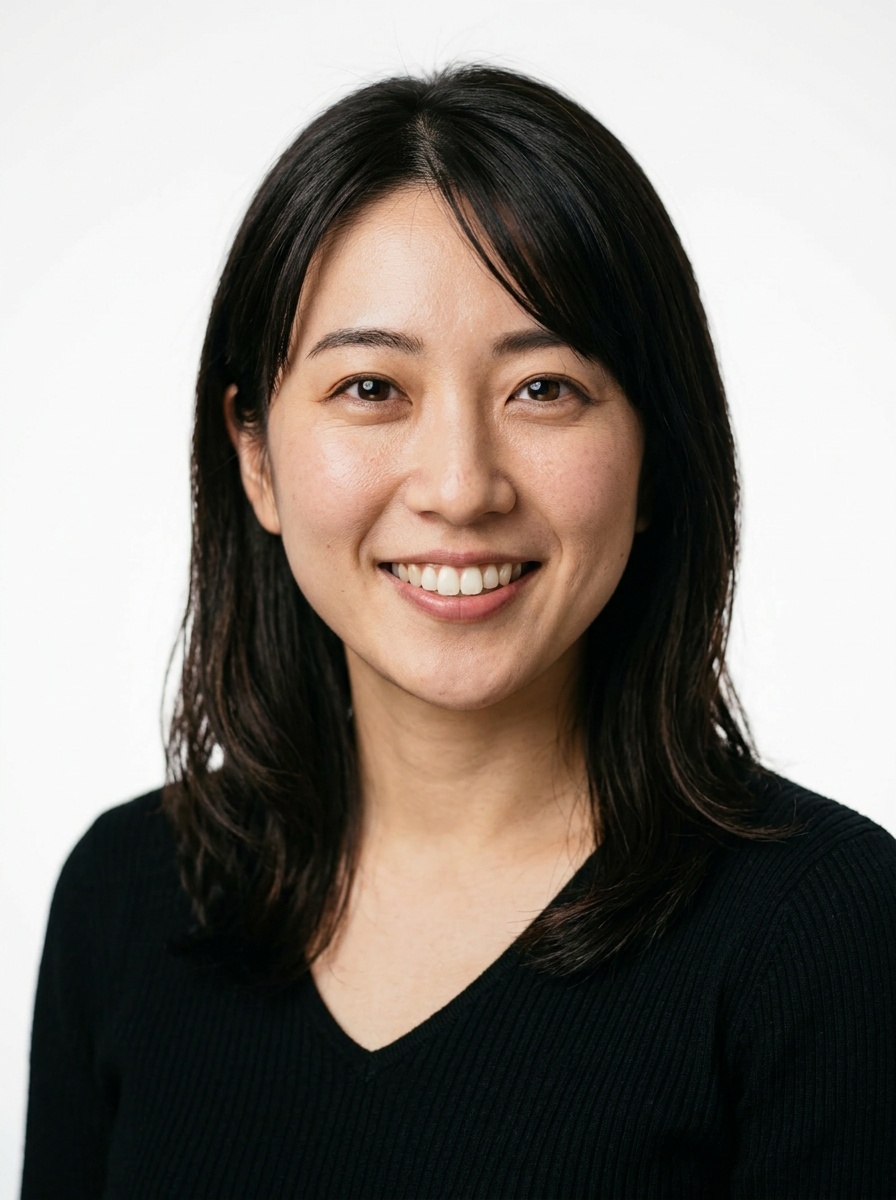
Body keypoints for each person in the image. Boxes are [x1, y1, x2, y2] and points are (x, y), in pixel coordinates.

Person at [22, 64, 896, 1199]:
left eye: (542, 388)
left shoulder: (821, 937)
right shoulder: (127, 898)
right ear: (254, 456)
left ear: (653, 454)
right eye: (371, 389)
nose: (458, 485)